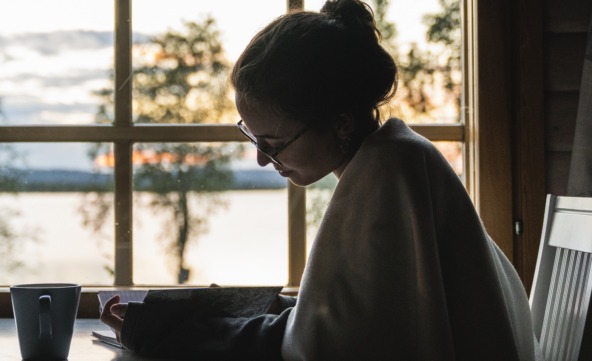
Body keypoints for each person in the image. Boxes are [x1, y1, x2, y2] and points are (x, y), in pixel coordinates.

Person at [101, 1, 542, 360]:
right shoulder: (396, 158)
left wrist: (175, 337)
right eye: (252, 137)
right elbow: (359, 320)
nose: (261, 158)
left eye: (273, 143)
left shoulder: (388, 176)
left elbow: (329, 349)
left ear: (340, 123)